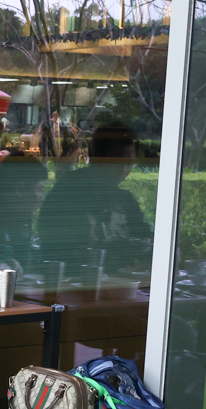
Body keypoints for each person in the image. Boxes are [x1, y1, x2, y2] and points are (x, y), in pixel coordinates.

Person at [36, 122, 152, 286]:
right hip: (74, 285)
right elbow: (52, 247)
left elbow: (144, 236)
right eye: (117, 161)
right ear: (97, 158)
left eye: (129, 162)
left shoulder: (125, 200)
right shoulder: (69, 190)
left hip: (119, 285)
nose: (123, 170)